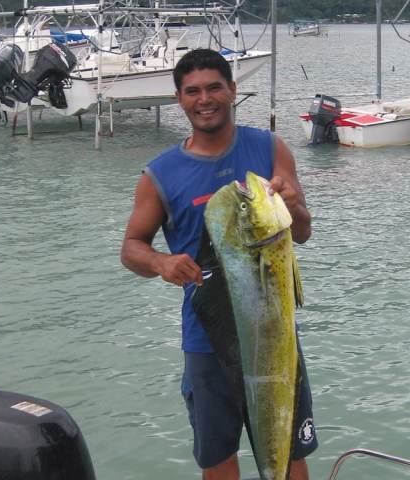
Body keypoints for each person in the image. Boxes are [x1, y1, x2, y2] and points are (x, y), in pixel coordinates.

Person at [120, 49, 317, 480]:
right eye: (192, 91)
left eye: (213, 87)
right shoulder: (160, 174)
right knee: (218, 460)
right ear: (179, 99)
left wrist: (296, 206)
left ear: (232, 90)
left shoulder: (269, 148)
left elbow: (301, 232)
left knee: (289, 452)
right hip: (206, 340)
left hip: (275, 335)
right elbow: (131, 247)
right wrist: (161, 262)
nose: (204, 99)